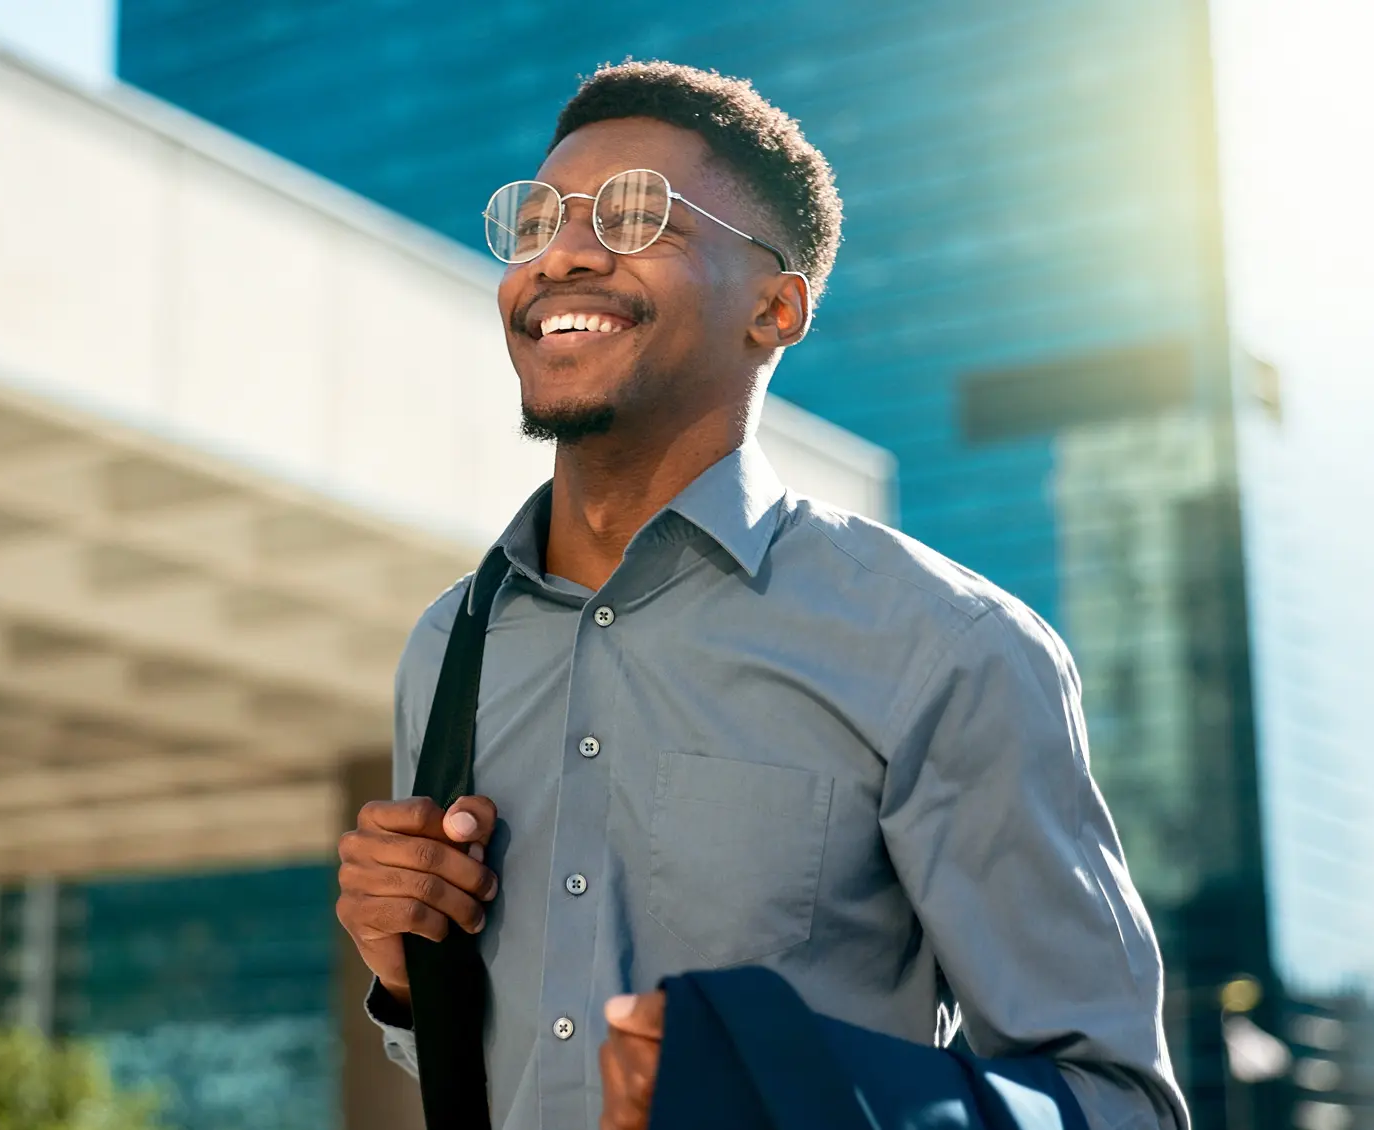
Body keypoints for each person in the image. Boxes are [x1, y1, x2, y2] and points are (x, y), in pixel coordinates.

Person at [335, 60, 1188, 1130]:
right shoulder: (448, 645)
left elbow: (1113, 1104)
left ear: (775, 307)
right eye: (537, 219)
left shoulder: (946, 646)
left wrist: (785, 1092)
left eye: (638, 213)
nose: (564, 251)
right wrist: (410, 977)